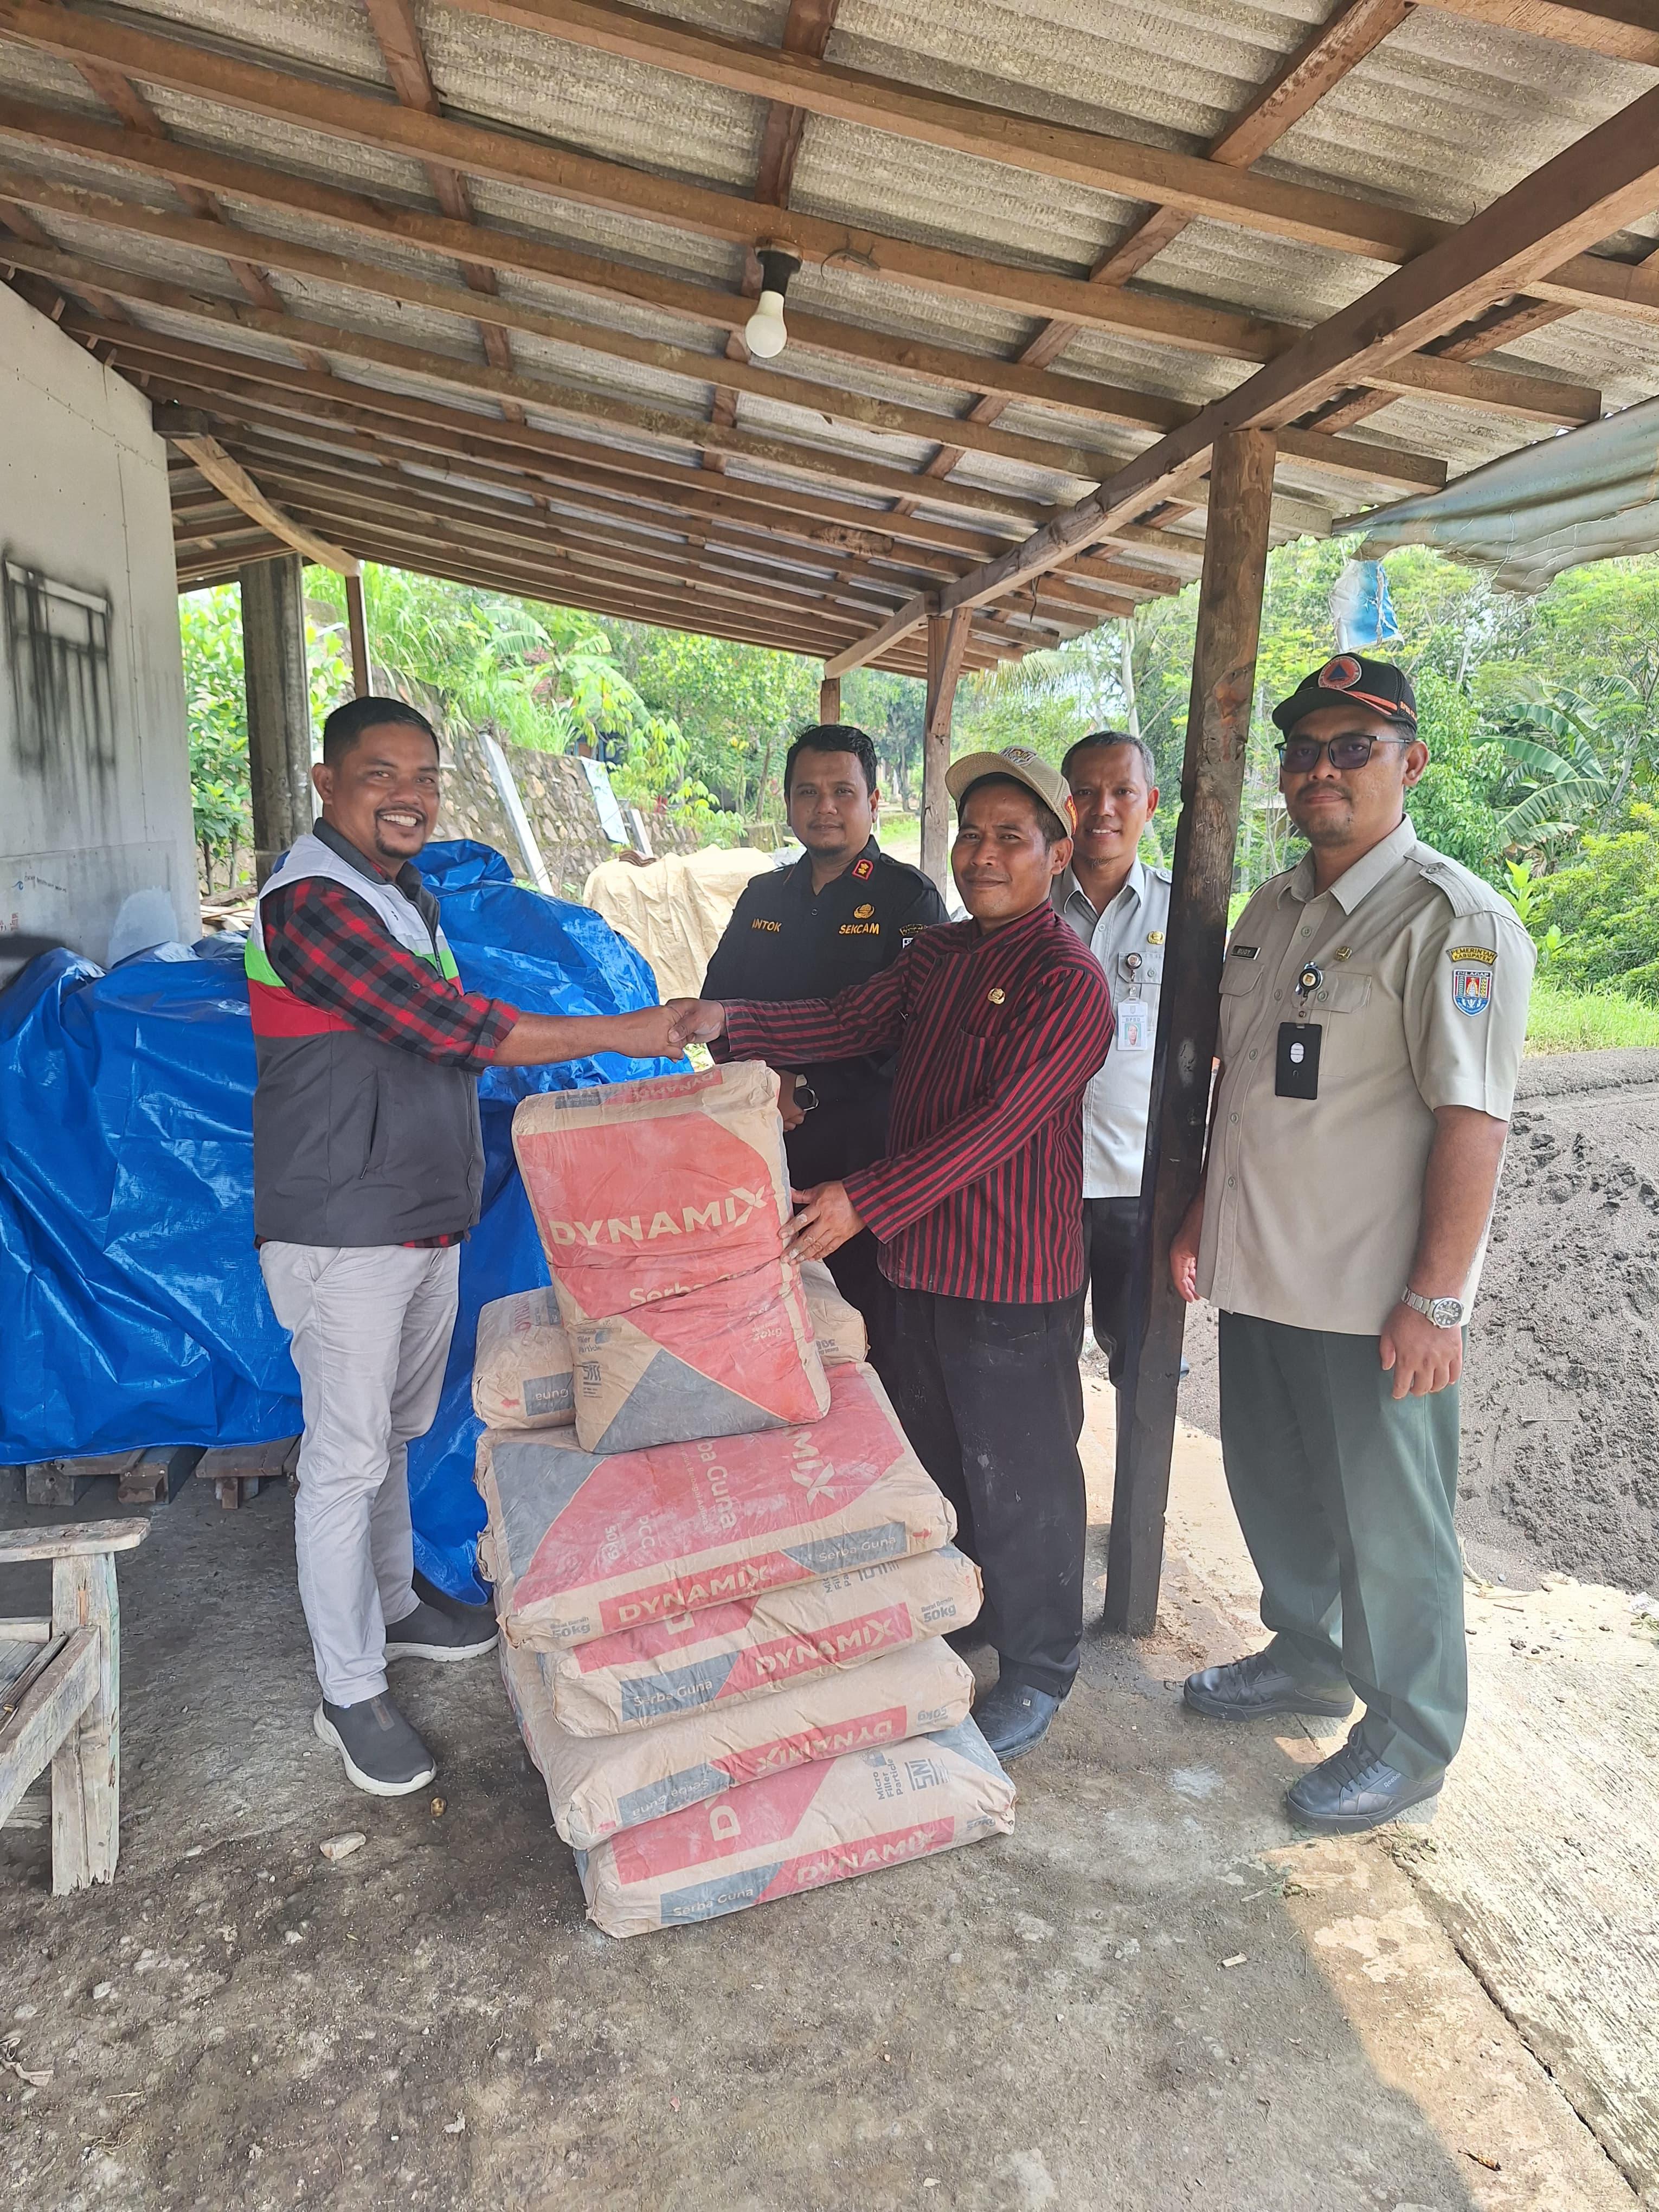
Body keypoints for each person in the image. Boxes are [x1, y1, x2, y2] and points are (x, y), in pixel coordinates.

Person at [247, 697, 691, 1798]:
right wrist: (626, 1033)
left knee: (398, 1428)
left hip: (418, 1212)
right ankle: (349, 1691)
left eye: (424, 776)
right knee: (344, 1461)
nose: (407, 794)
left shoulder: (406, 895)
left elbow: (449, 1024)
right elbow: (448, 1029)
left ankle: (395, 1605)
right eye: (378, 773)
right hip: (343, 1224)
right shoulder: (311, 904)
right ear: (324, 780)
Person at [668, 747, 1113, 1762]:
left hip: (1008, 1273)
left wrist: (862, 1200)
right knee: (937, 1458)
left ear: (1056, 851)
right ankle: (965, 1613)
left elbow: (1000, 1124)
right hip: (919, 1262)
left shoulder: (1067, 980)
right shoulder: (939, 956)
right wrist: (728, 1017)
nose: (986, 855)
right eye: (974, 834)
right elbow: (841, 1019)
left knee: (1025, 1474)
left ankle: (1042, 1665)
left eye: (1012, 837)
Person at [1168, 655, 1535, 1834]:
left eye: (1354, 749)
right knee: (1276, 1489)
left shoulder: (1455, 920)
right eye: (1306, 751)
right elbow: (1250, 1089)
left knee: (1391, 1524)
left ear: (1410, 764)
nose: (1321, 770)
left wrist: (1438, 1304)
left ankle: (1412, 1735)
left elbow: (1474, 1122)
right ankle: (1309, 1655)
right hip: (1266, 1272)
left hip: (1372, 1295)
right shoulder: (1273, 907)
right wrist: (1198, 1216)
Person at [700, 723, 946, 1367]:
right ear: (787, 803)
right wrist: (758, 1089)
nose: (825, 806)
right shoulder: (762, 895)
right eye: (808, 792)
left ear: (874, 799)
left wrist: (806, 1089)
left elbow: (912, 1030)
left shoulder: (906, 896)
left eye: (843, 790)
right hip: (761, 1142)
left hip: (861, 1156)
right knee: (769, 1313)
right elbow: (717, 1005)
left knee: (865, 1323)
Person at [1053, 731, 1169, 1385]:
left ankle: (1138, 1493)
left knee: (1144, 1366)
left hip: (1140, 1184)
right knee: (1042, 1363)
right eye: (1085, 793)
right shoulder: (1022, 907)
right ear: (1063, 805)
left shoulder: (1186, 915)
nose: (1103, 808)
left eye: (1122, 791)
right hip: (1044, 1186)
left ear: (1148, 803)